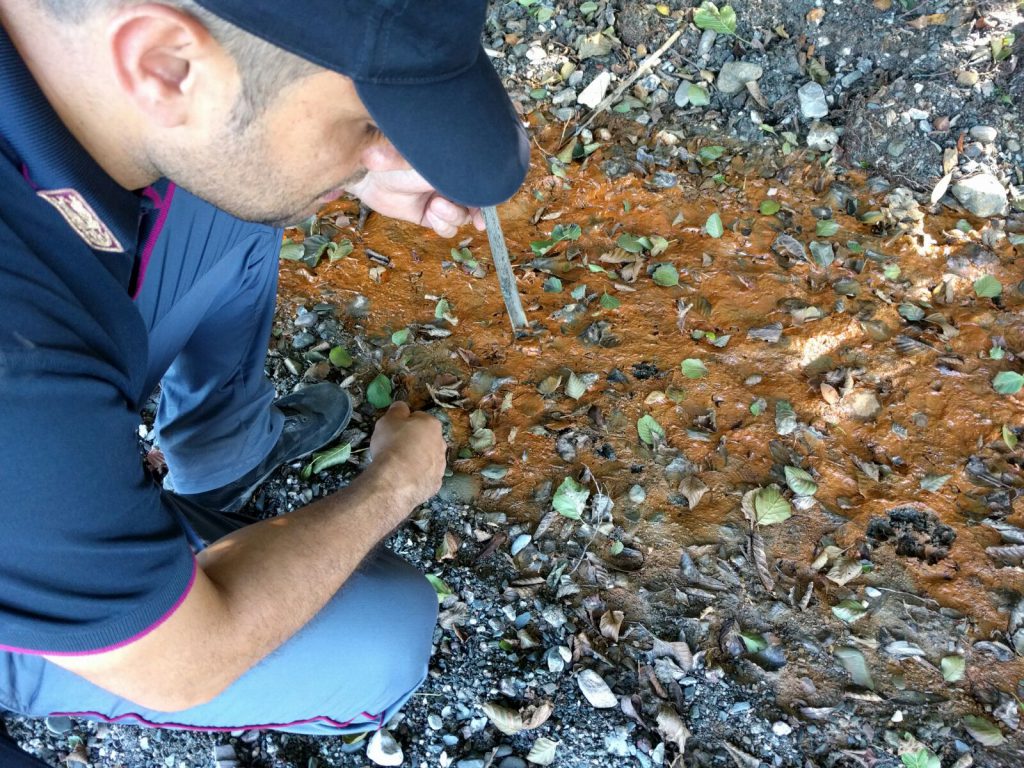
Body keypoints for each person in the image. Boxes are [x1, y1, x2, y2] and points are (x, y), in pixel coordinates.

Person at [0, 0, 529, 737]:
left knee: (238, 194)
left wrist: (349, 170)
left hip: (43, 430)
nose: (389, 151)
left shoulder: (72, 83)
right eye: (369, 122)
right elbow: (186, 664)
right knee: (384, 638)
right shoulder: (21, 390)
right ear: (165, 64)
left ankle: (222, 459)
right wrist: (393, 485)